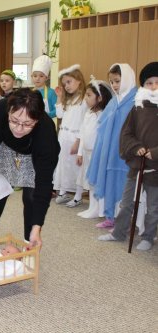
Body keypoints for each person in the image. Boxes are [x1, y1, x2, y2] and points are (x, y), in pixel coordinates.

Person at [0, 88, 60, 249]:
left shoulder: (45, 134)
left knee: (31, 196)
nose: (19, 128)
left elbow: (44, 185)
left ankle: (29, 240)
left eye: (27, 124)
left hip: (33, 151)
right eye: (14, 121)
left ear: (37, 120)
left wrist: (37, 228)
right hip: (6, 147)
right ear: (8, 111)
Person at [98, 62, 158, 251]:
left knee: (153, 207)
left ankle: (148, 236)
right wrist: (136, 147)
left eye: (157, 82)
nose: (154, 86)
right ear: (143, 85)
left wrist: (154, 152)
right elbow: (126, 134)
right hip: (137, 164)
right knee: (126, 202)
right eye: (149, 83)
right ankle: (118, 232)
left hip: (155, 167)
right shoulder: (137, 107)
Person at [87, 64, 138, 229]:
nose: (115, 85)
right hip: (110, 150)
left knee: (124, 185)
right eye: (112, 82)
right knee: (109, 181)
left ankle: (125, 220)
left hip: (125, 152)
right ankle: (110, 216)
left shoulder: (137, 100)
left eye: (117, 81)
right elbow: (103, 124)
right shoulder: (114, 101)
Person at [76, 78, 113, 218]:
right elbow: (83, 134)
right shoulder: (88, 113)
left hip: (97, 154)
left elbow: (102, 137)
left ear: (100, 98)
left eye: (89, 95)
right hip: (87, 153)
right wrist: (80, 153)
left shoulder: (103, 115)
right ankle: (92, 207)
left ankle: (99, 208)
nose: (86, 98)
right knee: (90, 180)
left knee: (97, 181)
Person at [53, 64, 88, 207]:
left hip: (75, 138)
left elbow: (84, 123)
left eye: (69, 82)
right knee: (63, 164)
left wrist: (78, 142)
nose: (66, 86)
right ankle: (63, 191)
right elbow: (59, 114)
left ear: (79, 80)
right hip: (64, 136)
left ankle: (78, 195)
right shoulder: (68, 99)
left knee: (76, 167)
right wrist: (60, 97)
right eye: (64, 84)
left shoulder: (84, 100)